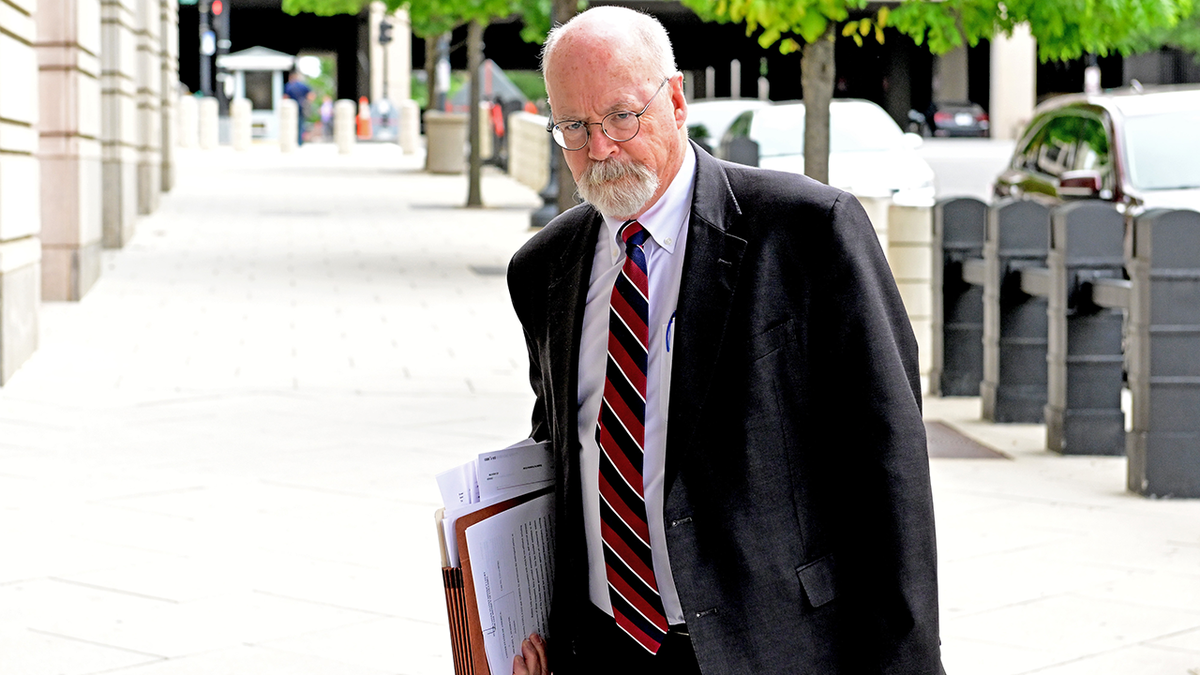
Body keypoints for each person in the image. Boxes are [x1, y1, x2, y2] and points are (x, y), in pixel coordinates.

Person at [506, 7, 944, 675]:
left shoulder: (809, 232)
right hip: (603, 648)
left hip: (774, 646)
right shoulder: (543, 268)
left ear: (675, 100)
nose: (598, 149)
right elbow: (562, 456)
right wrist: (516, 613)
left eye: (622, 117)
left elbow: (889, 464)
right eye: (574, 126)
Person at [284, 71, 314, 146]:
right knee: (301, 125)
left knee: (291, 125)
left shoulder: (288, 86)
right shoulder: (303, 85)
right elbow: (311, 95)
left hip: (291, 110)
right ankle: (300, 142)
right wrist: (307, 103)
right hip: (302, 108)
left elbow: (285, 97)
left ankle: (292, 141)